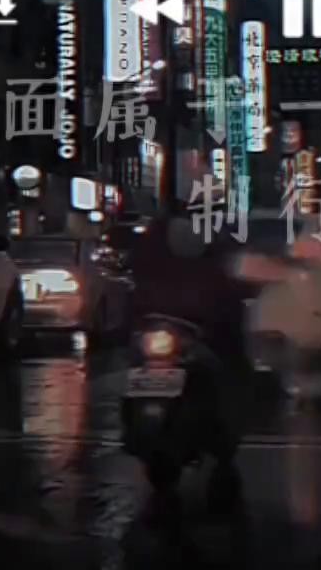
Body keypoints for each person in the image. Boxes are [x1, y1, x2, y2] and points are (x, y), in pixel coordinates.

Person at [126, 211, 261, 512]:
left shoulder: (215, 266)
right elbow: (135, 297)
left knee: (230, 372)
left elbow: (230, 306)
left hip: (201, 339)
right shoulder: (152, 262)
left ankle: (221, 437)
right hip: (160, 338)